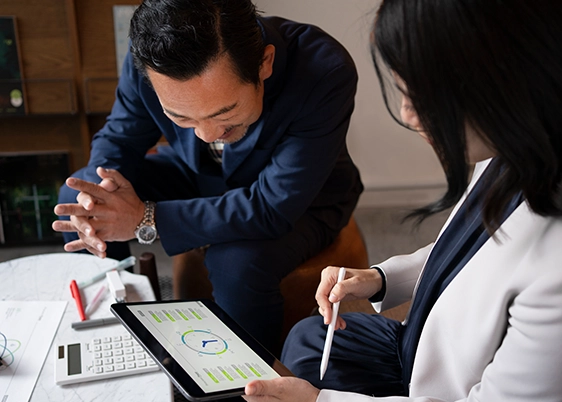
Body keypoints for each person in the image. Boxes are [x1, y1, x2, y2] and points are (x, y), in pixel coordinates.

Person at [242, 0, 562, 402]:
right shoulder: (528, 144)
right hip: (433, 352)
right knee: (308, 339)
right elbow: (473, 252)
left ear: (509, 81)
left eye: (420, 94)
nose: (409, 115)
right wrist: (379, 278)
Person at [52, 0, 363, 353]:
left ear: (265, 63)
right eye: (182, 118)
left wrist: (144, 218)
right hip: (199, 174)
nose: (206, 135)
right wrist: (101, 196)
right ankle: (113, 329)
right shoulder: (151, 58)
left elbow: (271, 207)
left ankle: (245, 390)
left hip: (303, 201)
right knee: (77, 197)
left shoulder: (323, 68)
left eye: (224, 113)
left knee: (236, 264)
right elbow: (120, 138)